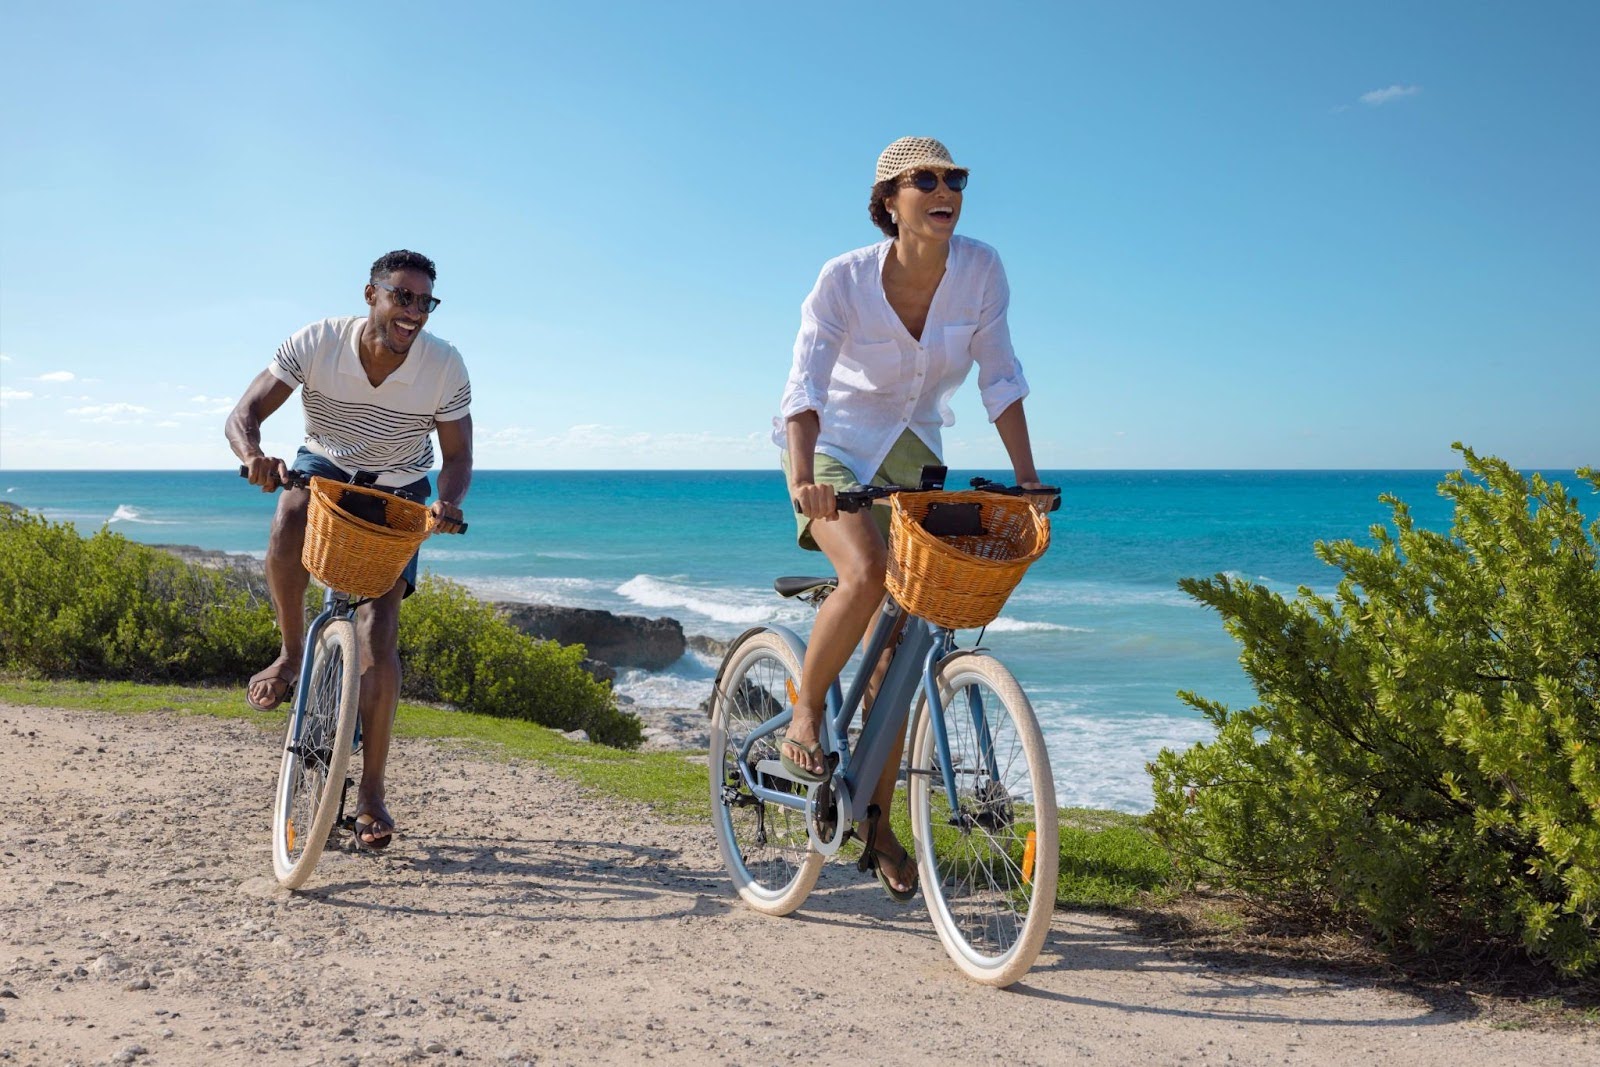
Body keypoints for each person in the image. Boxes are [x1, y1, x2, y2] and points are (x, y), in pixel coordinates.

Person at [773, 137, 1045, 899]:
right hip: (834, 449)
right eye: (923, 178)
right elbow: (804, 385)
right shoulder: (845, 279)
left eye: (954, 176)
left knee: (909, 637)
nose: (944, 187)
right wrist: (803, 480)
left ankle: (877, 821)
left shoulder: (982, 270)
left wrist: (1025, 477)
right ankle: (804, 719)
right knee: (862, 578)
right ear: (889, 201)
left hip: (914, 451)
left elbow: (1002, 376)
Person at [226, 249, 473, 850]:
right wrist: (253, 456)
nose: (414, 311)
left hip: (399, 487)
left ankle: (372, 791)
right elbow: (245, 414)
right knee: (288, 513)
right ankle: (290, 655)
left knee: (379, 628)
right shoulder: (318, 342)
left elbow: (458, 456)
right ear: (372, 295)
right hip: (325, 468)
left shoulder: (443, 365)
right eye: (403, 297)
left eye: (425, 301)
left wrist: (447, 500)